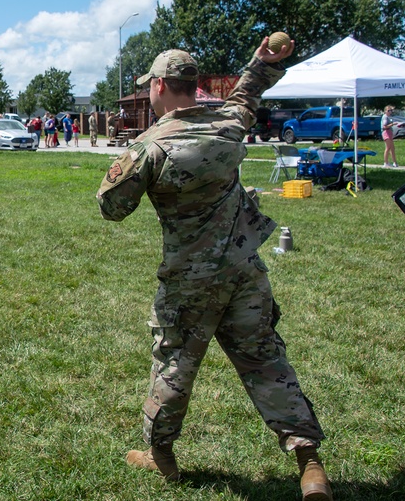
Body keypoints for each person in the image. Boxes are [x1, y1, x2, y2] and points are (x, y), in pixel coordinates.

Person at [97, 41, 332, 501]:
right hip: (245, 270)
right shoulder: (228, 123)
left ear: (159, 86)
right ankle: (310, 464)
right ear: (195, 85)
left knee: (174, 365)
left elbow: (113, 208)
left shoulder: (152, 146)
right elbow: (247, 95)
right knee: (266, 360)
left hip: (190, 281)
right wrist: (262, 62)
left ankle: (160, 455)